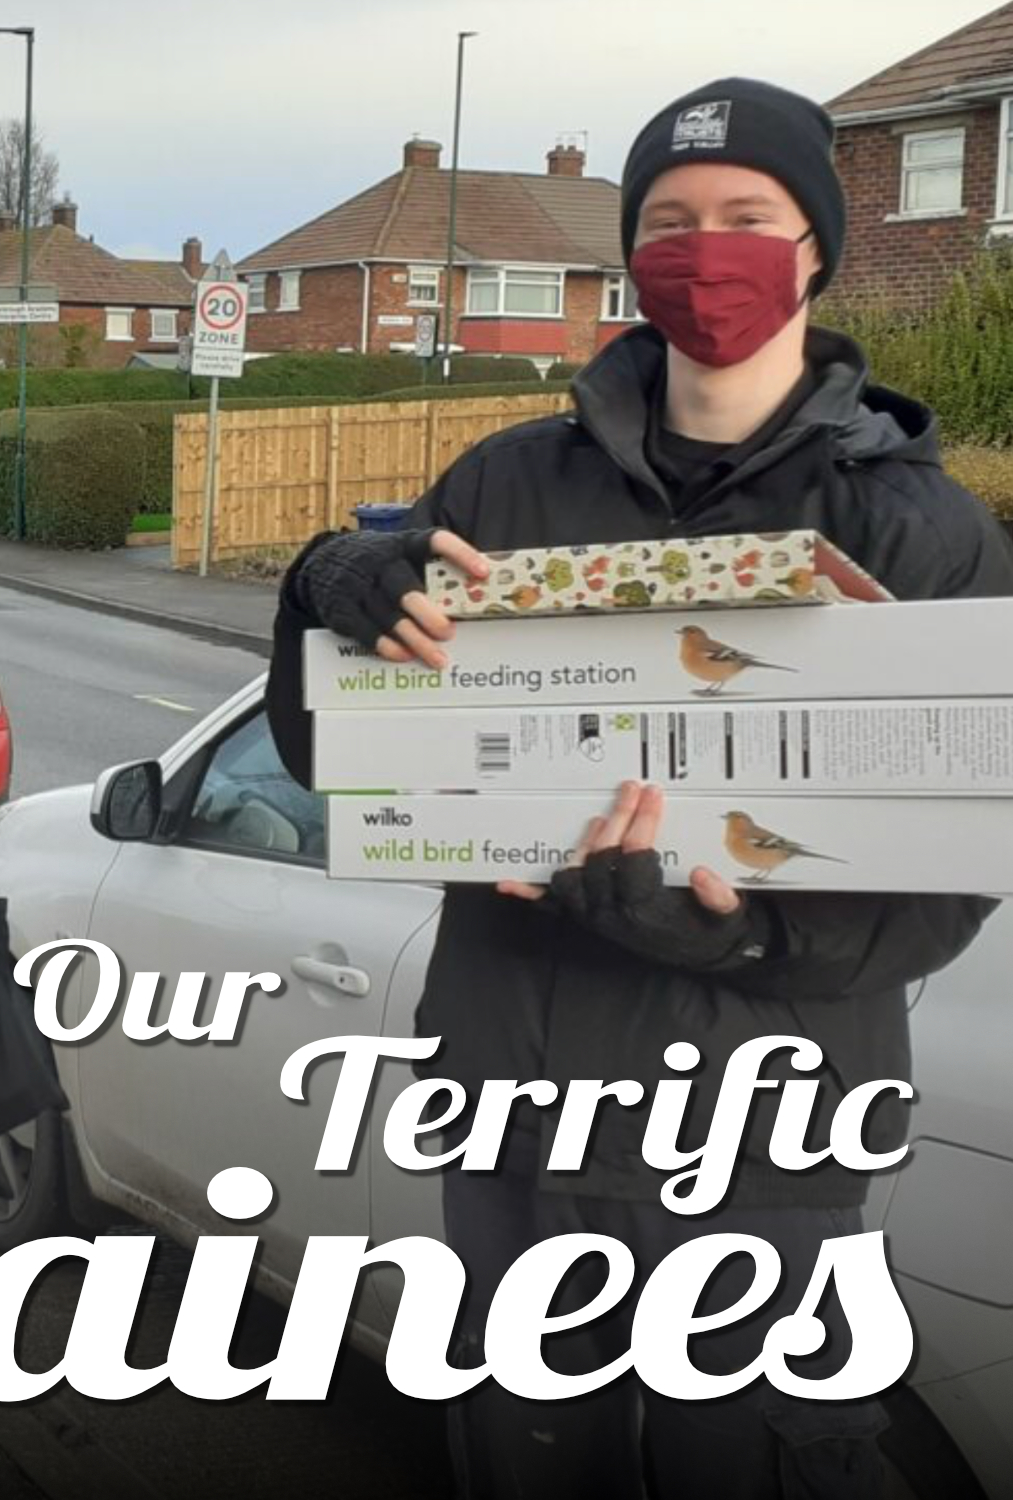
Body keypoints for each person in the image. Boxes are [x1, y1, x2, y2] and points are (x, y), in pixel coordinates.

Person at [266, 78, 1013, 1498]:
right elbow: (343, 763)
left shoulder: (924, 532)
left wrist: (723, 932)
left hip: (765, 1145)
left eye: (747, 217)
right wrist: (328, 588)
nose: (704, 249)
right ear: (629, 254)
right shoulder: (498, 487)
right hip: (515, 1121)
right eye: (669, 223)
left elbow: (950, 873)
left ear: (814, 250)